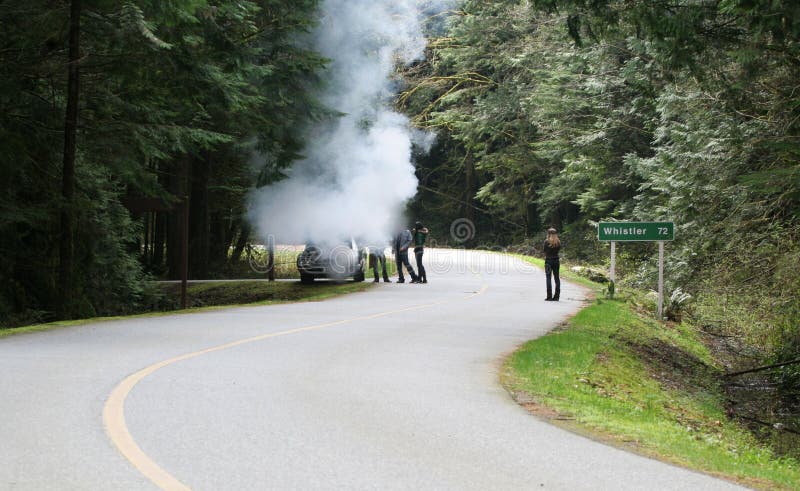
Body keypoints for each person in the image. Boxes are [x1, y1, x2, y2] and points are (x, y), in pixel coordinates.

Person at [543, 227, 561, 301]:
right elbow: (559, 249)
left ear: (548, 234)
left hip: (548, 261)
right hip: (556, 261)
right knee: (557, 278)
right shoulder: (558, 242)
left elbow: (544, 250)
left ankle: (549, 296)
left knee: (548, 278)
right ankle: (556, 296)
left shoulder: (546, 242)